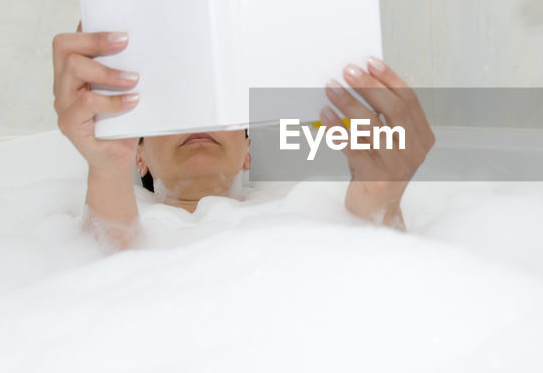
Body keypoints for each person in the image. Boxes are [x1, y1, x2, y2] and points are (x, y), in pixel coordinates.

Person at [52, 30, 434, 249]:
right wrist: (106, 169)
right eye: (176, 112)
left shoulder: (299, 221)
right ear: (139, 160)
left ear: (247, 153)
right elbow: (108, 260)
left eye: (217, 109)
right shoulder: (127, 231)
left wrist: (380, 209)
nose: (198, 120)